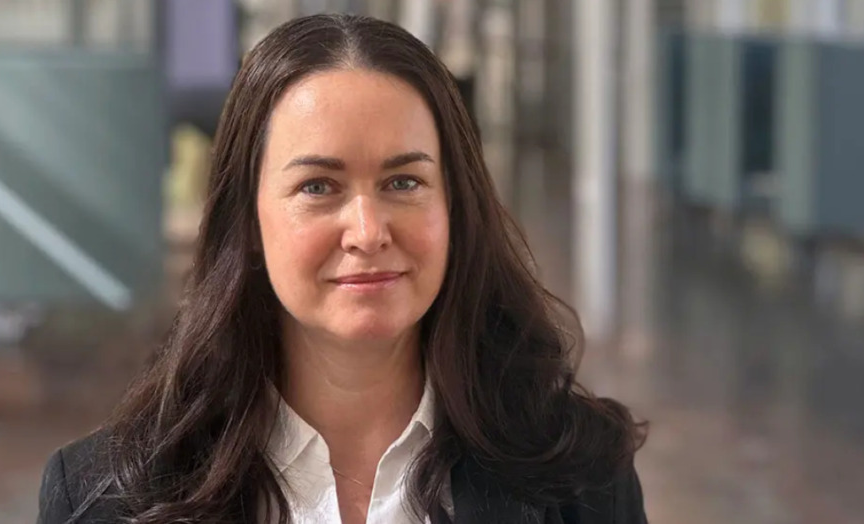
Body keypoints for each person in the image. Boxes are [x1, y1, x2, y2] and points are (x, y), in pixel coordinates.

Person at [37, 14, 647, 524]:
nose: (368, 231)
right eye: (318, 186)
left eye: (403, 182)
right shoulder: (103, 497)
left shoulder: (583, 476)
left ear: (455, 207)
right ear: (247, 223)